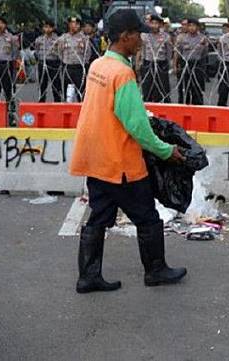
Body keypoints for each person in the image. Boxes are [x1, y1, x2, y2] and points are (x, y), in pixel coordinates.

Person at [69, 9, 187, 293]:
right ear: (125, 37)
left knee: (98, 216)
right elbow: (135, 125)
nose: (141, 41)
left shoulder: (99, 65)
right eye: (138, 35)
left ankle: (88, 276)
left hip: (95, 156)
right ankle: (156, 270)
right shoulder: (123, 73)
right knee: (147, 216)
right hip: (119, 162)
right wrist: (165, 150)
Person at [136, 14, 172, 103]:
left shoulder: (166, 36)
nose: (154, 26)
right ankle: (147, 106)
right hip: (148, 63)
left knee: (162, 87)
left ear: (160, 25)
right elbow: (140, 50)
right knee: (147, 87)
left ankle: (162, 106)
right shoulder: (144, 36)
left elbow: (169, 52)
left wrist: (167, 64)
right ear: (149, 24)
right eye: (152, 23)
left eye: (157, 23)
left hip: (161, 63)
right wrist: (138, 63)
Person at [56, 16, 91, 101]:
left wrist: (83, 63)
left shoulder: (84, 38)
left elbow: (88, 53)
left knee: (81, 93)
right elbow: (60, 52)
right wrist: (65, 61)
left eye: (77, 24)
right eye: (72, 23)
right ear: (68, 25)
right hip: (68, 68)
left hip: (79, 68)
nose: (75, 25)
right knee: (68, 94)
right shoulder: (63, 38)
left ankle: (81, 111)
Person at [174, 18, 207, 105]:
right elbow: (177, 53)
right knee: (185, 89)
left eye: (194, 25)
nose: (192, 28)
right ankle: (183, 108)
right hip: (185, 64)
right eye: (190, 25)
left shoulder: (202, 39)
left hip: (197, 65)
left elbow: (204, 53)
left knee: (197, 88)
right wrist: (175, 65)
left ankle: (198, 110)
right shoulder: (182, 38)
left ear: (198, 27)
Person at [33, 20, 62, 102]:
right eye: (45, 27)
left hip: (53, 63)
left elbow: (60, 51)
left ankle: (57, 102)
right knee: (42, 84)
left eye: (49, 27)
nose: (47, 29)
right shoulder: (39, 39)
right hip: (42, 63)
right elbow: (36, 50)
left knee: (56, 85)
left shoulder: (58, 39)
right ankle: (41, 102)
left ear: (53, 28)